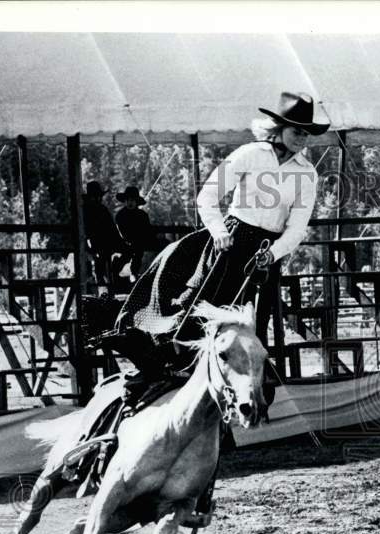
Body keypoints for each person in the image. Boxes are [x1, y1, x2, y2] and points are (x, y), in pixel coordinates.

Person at [106, 91, 328, 383]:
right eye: (296, 131)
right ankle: (176, 370)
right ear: (279, 128)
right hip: (232, 244)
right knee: (202, 312)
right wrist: (220, 232)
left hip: (267, 253)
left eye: (306, 134)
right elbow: (207, 196)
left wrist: (273, 253)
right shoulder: (249, 154)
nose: (302, 138)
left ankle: (250, 386)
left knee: (257, 322)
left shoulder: (307, 173)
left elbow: (297, 227)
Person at [82, 181, 128, 289]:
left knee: (128, 250)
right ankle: (102, 280)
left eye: (99, 196)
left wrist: (122, 242)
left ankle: (113, 271)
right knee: (101, 258)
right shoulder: (85, 211)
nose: (98, 199)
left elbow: (112, 229)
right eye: (95, 196)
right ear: (90, 197)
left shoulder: (103, 209)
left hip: (108, 242)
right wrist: (88, 246)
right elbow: (84, 231)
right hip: (96, 244)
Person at [113, 186, 155, 289]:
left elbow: (147, 230)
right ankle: (118, 275)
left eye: (132, 200)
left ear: (136, 201)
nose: (130, 203)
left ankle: (134, 273)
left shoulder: (142, 215)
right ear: (125, 201)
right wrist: (128, 240)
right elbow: (121, 232)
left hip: (139, 242)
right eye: (128, 200)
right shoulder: (120, 215)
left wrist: (144, 238)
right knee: (126, 255)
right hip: (123, 242)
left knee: (138, 251)